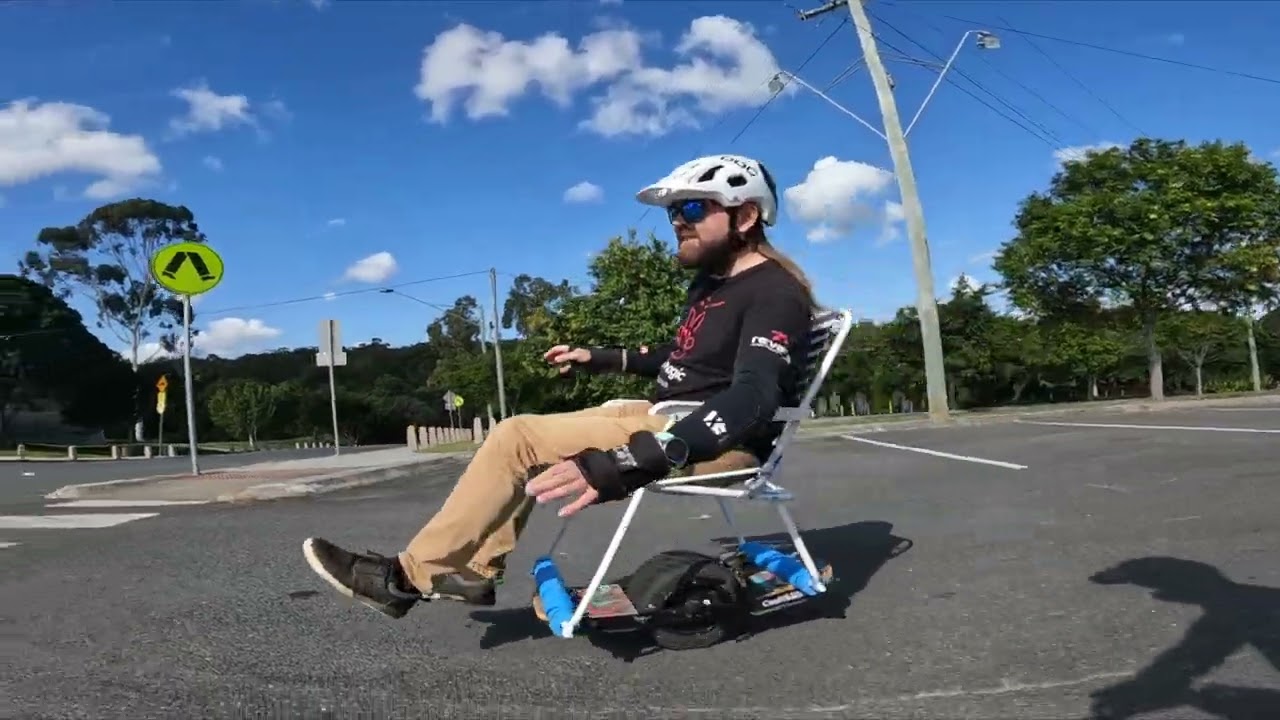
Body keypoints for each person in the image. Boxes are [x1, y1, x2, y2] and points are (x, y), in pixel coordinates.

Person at [302, 153, 819, 619]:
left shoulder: (774, 292)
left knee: (517, 437)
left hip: (715, 440)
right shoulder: (715, 285)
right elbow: (682, 358)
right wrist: (596, 358)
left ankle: (403, 579)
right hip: (671, 410)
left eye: (691, 210)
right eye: (673, 213)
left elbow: (753, 398)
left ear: (745, 216)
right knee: (520, 434)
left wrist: (635, 458)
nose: (676, 223)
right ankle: (477, 571)